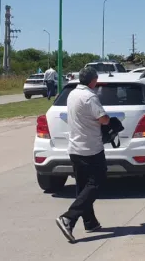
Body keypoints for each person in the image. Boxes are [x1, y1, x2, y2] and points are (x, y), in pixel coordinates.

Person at [56, 67, 110, 243]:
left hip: (75, 148)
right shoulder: (90, 97)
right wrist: (109, 121)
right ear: (93, 80)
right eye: (96, 79)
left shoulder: (72, 94)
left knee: (83, 185)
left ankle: (90, 222)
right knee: (97, 183)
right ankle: (68, 218)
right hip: (91, 148)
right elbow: (103, 119)